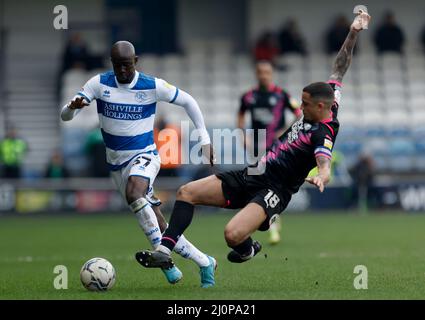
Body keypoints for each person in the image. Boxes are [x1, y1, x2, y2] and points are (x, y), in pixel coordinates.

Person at [136, 10, 371, 278]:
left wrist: (323, 175)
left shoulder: (323, 131)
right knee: (186, 192)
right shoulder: (331, 100)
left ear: (319, 106)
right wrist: (354, 32)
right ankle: (164, 253)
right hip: (253, 172)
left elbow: (323, 159)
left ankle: (248, 248)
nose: (300, 107)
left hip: (275, 189)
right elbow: (340, 66)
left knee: (232, 235)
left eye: (304, 104)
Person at [60, 41, 217, 288]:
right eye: (117, 66)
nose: (122, 71)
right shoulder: (98, 84)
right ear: (111, 64)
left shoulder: (151, 85)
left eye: (126, 65)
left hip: (145, 155)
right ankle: (204, 261)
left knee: (135, 193)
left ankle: (163, 258)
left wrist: (205, 140)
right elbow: (65, 116)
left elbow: (189, 101)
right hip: (116, 165)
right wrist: (71, 107)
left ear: (136, 61)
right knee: (156, 220)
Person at [238, 60, 302, 244]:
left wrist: (284, 131)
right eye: (260, 72)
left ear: (271, 73)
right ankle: (269, 220)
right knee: (259, 184)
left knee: (271, 183)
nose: (263, 75)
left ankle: (272, 223)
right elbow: (241, 115)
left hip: (276, 147)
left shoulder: (282, 95)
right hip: (257, 146)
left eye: (267, 72)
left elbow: (299, 114)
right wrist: (243, 135)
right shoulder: (249, 96)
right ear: (257, 74)